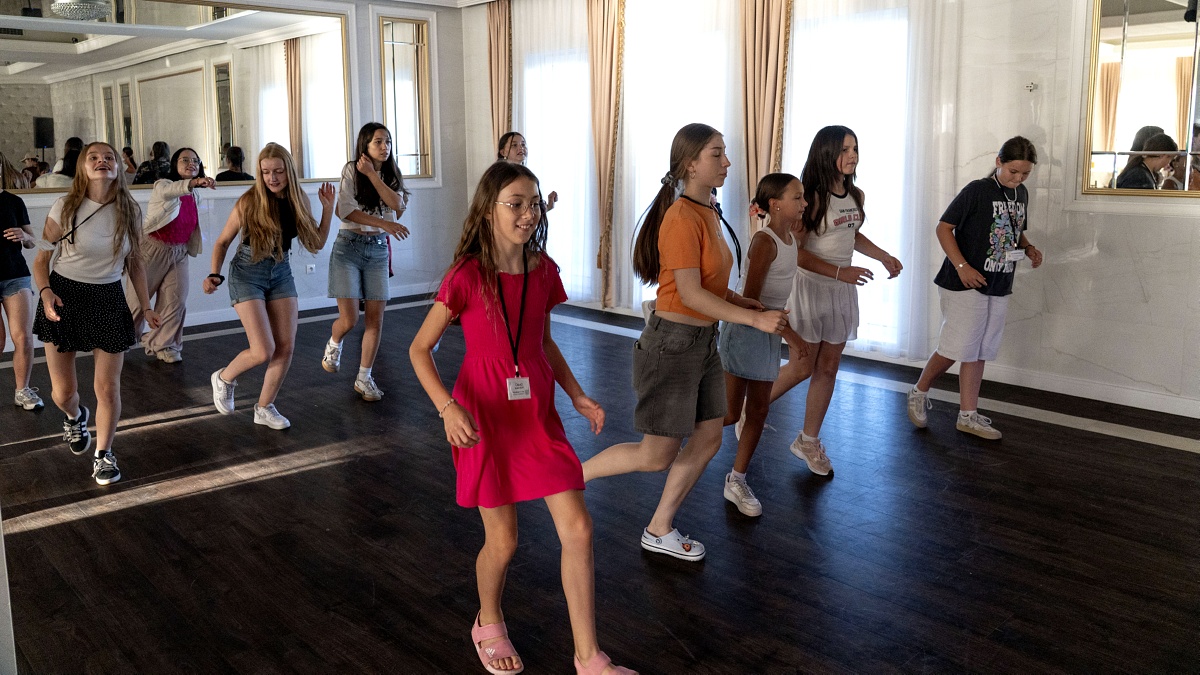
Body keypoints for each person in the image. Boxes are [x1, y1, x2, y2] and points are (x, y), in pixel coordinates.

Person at [409, 160, 634, 675]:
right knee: (504, 540)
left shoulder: (544, 270)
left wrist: (577, 395)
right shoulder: (466, 275)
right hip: (484, 417)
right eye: (515, 204)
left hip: (536, 416)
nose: (528, 214)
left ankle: (589, 658)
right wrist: (447, 407)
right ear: (488, 210)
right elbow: (419, 349)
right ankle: (488, 620)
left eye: (533, 204)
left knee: (579, 528)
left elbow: (543, 341)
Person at [581, 123, 787, 562]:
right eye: (717, 154)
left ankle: (659, 528)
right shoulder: (680, 217)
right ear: (690, 164)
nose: (727, 162)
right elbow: (690, 294)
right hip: (671, 345)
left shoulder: (708, 209)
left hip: (702, 341)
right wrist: (754, 318)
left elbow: (706, 282)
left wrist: (738, 300)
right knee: (655, 456)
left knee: (710, 437)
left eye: (724, 153)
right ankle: (568, 480)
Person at [767, 126, 902, 476]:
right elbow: (797, 254)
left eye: (854, 148)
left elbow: (851, 235)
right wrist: (841, 272)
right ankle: (749, 409)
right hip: (811, 288)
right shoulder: (809, 198)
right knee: (802, 365)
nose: (852, 155)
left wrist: (883, 256)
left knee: (828, 368)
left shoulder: (855, 194)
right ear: (826, 153)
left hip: (841, 289)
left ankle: (808, 440)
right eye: (844, 149)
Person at [31, 141, 161, 485]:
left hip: (108, 297)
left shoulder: (129, 210)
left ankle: (104, 454)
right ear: (83, 168)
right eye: (94, 157)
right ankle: (75, 416)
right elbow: (41, 260)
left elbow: (135, 263)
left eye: (109, 158)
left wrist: (147, 306)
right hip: (64, 296)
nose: (102, 161)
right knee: (62, 394)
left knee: (107, 388)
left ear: (118, 167)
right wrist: (45, 293)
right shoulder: (65, 206)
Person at [907, 136, 1044, 439]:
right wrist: (962, 266)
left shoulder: (1021, 193)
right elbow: (944, 228)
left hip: (998, 281)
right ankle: (919, 390)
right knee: (955, 347)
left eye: (1025, 174)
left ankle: (967, 415)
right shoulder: (977, 190)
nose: (1018, 178)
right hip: (963, 283)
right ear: (998, 162)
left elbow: (1015, 230)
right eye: (1013, 171)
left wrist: (1029, 247)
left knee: (979, 351)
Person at [203, 143, 334, 430]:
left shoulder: (298, 199)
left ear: (289, 171)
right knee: (263, 350)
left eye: (278, 171)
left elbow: (316, 243)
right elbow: (222, 241)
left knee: (285, 346)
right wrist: (214, 274)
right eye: (265, 172)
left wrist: (328, 210)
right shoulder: (249, 201)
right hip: (246, 272)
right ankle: (224, 377)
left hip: (280, 270)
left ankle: (264, 407)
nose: (272, 178)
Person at [718, 173, 804, 517]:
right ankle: (680, 437)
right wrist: (792, 336)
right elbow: (752, 300)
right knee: (728, 413)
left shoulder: (791, 238)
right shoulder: (764, 242)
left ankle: (737, 479)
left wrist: (785, 332)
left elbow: (776, 301)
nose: (804, 203)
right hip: (746, 331)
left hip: (769, 333)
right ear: (775, 204)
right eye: (797, 197)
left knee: (758, 411)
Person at [322, 123, 410, 400]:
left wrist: (373, 174)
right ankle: (334, 343)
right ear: (365, 146)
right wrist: (384, 222)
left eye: (388, 142)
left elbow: (398, 205)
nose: (385, 147)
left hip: (378, 249)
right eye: (378, 142)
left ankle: (364, 377)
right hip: (348, 247)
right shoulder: (351, 170)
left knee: (376, 320)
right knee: (349, 319)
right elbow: (346, 211)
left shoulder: (391, 174)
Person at [128, 147, 215, 363]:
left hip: (179, 252)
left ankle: (165, 344)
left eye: (195, 160)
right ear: (175, 164)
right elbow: (171, 191)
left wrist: (195, 185)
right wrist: (195, 182)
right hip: (151, 249)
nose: (191, 163)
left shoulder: (194, 194)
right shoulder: (163, 185)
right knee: (137, 302)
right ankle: (121, 340)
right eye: (185, 160)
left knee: (175, 300)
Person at [1, 185, 41, 411]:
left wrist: (24, 235)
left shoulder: (14, 201)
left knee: (23, 337)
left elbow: (31, 241)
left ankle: (22, 390)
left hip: (15, 275)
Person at [497, 132, 557, 211]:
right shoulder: (498, 176)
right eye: (514, 145)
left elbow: (531, 211)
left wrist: (549, 205)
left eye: (523, 144)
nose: (521, 148)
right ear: (503, 152)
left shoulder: (528, 175)